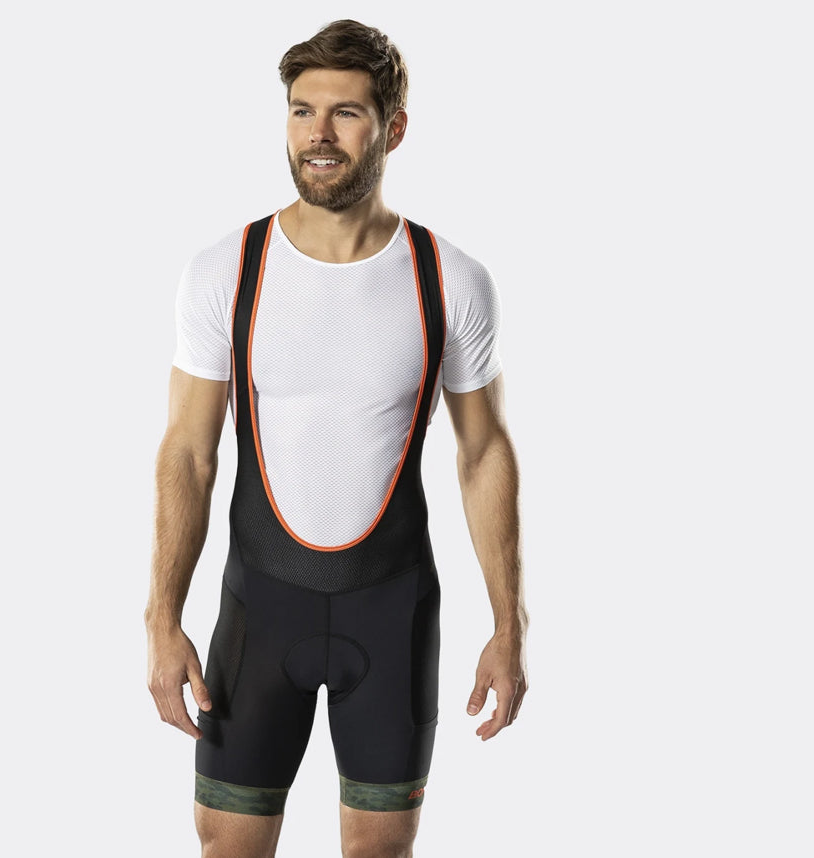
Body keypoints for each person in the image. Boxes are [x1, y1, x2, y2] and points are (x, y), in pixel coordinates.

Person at [145, 19, 528, 858]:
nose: (318, 134)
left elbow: (484, 454)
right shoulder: (227, 269)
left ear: (393, 128)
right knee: (228, 847)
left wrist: (510, 626)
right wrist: (161, 620)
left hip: (393, 613)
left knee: (381, 851)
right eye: (301, 111)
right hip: (259, 613)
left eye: (345, 113)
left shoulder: (448, 278)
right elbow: (189, 454)